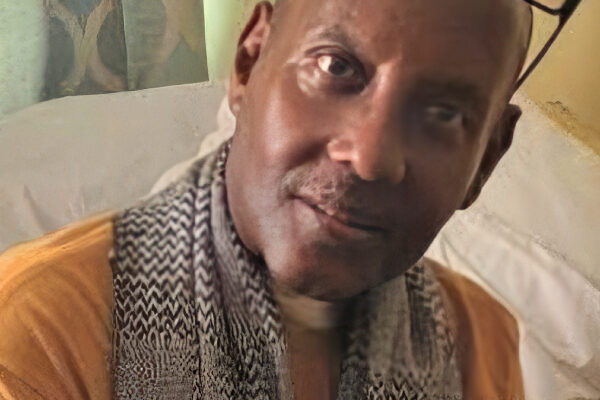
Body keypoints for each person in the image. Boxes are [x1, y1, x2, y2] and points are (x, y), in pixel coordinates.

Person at [0, 0, 533, 398]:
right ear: (249, 61)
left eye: (444, 114)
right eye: (336, 67)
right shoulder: (44, 336)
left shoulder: (479, 340)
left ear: (486, 161)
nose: (369, 157)